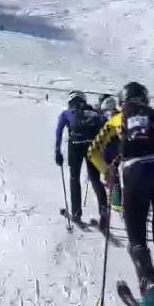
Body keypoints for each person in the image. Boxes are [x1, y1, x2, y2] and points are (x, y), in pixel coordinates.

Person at [88, 82, 154, 306]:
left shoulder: (116, 120)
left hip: (135, 174)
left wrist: (107, 171)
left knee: (136, 238)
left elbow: (93, 151)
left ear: (123, 101)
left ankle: (149, 283)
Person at [55, 91, 107, 225]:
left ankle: (76, 213)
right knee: (95, 179)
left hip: (75, 146)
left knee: (74, 178)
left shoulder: (66, 113)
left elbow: (59, 131)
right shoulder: (94, 112)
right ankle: (103, 211)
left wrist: (57, 152)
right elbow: (104, 127)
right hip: (92, 147)